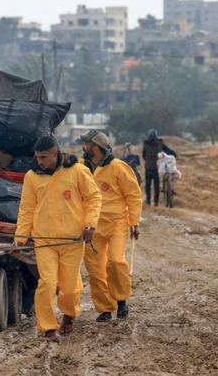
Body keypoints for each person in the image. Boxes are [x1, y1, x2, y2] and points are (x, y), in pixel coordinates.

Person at [14, 135, 101, 341]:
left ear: (56, 154)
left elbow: (93, 197)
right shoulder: (31, 176)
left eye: (44, 157)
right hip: (44, 240)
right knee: (47, 283)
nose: (39, 161)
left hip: (72, 240)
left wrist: (90, 225)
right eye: (37, 157)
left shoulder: (78, 171)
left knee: (69, 288)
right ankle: (48, 328)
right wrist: (21, 236)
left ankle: (69, 315)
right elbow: (26, 208)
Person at [81, 130, 142, 322]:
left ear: (95, 147)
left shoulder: (118, 167)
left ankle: (122, 300)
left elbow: (133, 195)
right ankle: (105, 308)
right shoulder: (82, 168)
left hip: (117, 222)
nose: (84, 147)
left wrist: (134, 221)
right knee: (95, 269)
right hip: (92, 226)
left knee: (116, 261)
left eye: (86, 143)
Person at [142, 129, 177, 206]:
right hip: (157, 167)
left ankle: (148, 201)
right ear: (156, 136)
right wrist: (174, 154)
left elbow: (143, 155)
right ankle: (156, 203)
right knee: (156, 185)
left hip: (148, 168)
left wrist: (148, 161)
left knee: (148, 184)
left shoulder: (145, 144)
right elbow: (167, 150)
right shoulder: (159, 143)